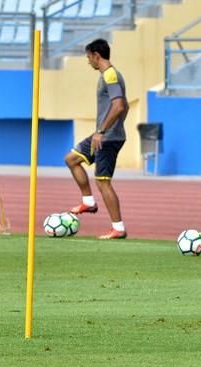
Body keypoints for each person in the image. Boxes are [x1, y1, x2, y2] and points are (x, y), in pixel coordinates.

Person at [64, 38, 129, 239]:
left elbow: (118, 106)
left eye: (88, 57)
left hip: (107, 138)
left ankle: (118, 228)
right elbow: (124, 106)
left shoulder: (110, 75)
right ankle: (89, 202)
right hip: (103, 134)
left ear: (96, 55)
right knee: (72, 159)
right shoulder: (107, 75)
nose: (88, 61)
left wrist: (102, 130)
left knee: (103, 182)